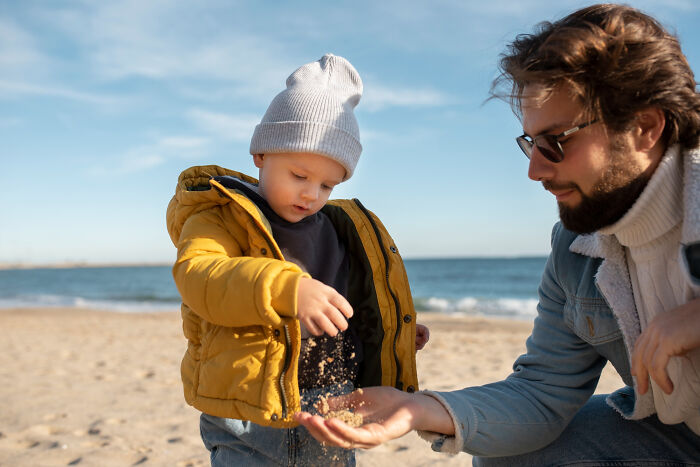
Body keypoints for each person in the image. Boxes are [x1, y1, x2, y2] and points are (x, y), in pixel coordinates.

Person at [295, 5, 700, 465]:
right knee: (506, 455)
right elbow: (543, 392)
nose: (534, 169)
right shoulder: (577, 249)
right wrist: (419, 407)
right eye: (530, 143)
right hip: (684, 436)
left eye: (557, 141)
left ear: (645, 127)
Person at [166, 53, 428, 466]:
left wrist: (387, 330)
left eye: (327, 184)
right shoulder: (221, 216)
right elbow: (201, 277)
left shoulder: (339, 228)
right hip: (250, 409)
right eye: (299, 176)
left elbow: (348, 301)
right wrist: (288, 288)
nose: (311, 194)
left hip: (331, 399)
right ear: (261, 154)